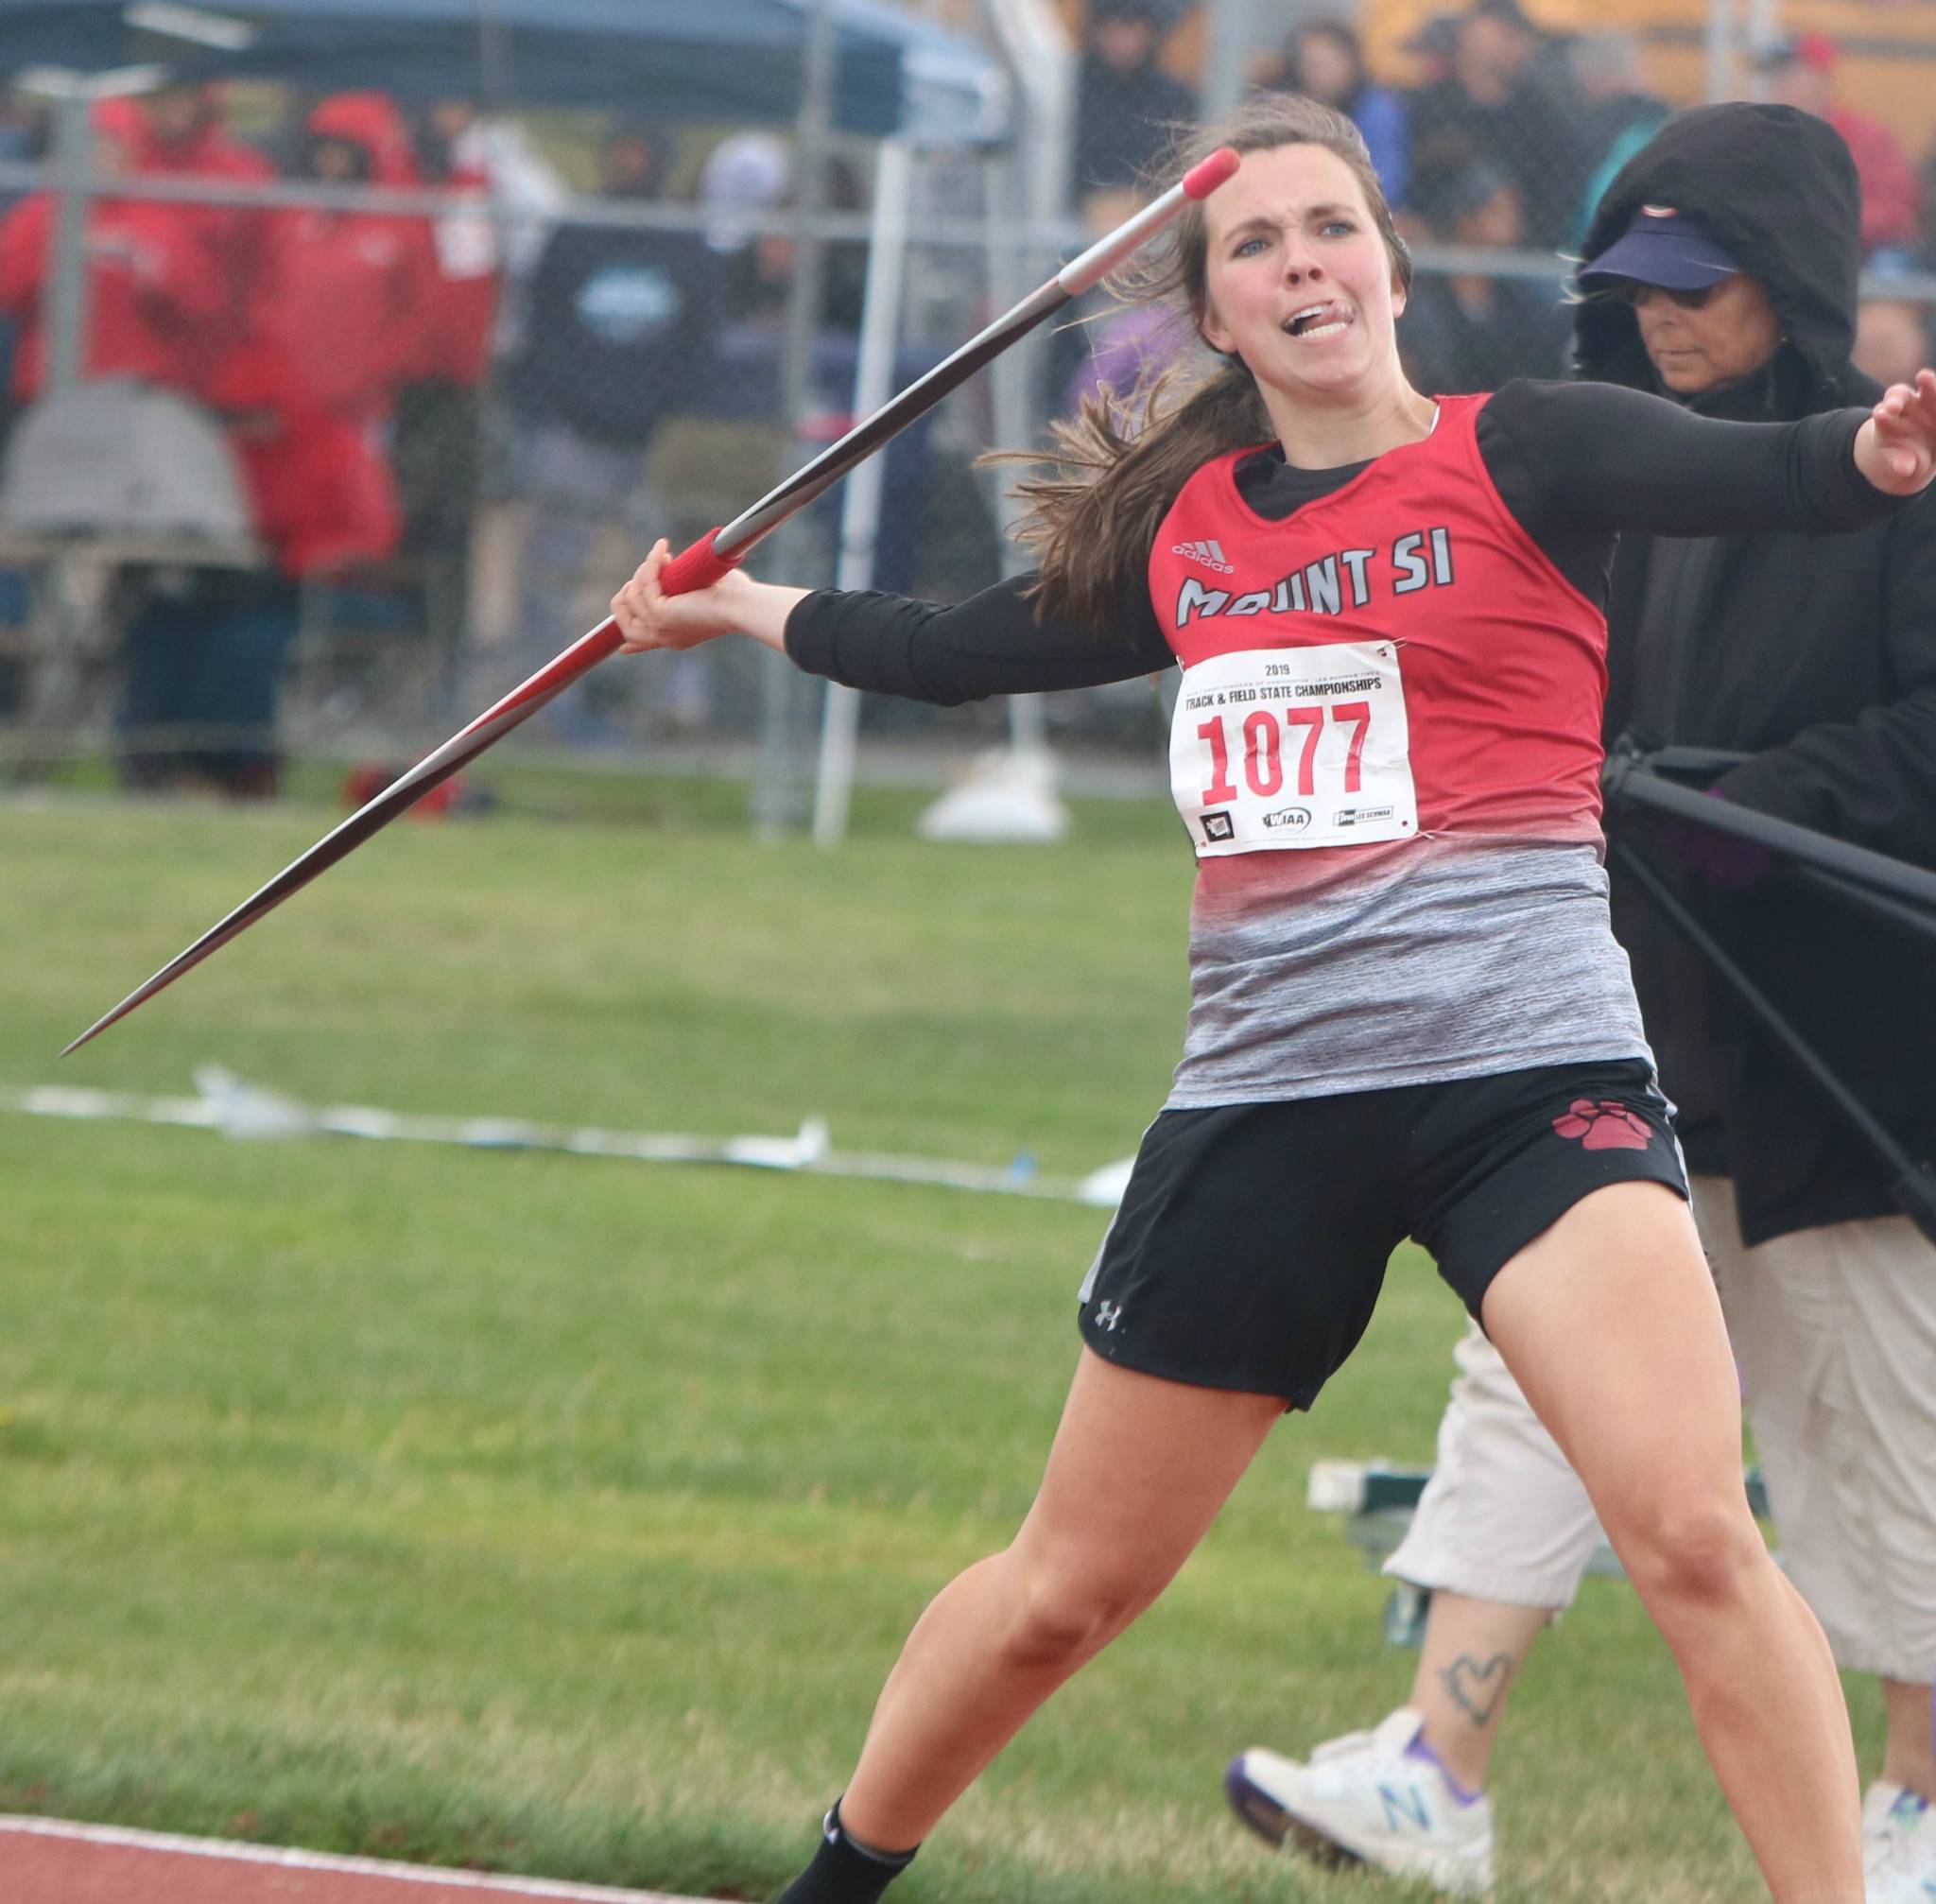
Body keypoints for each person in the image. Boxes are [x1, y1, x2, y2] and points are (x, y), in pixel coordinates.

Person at [608, 95, 1936, 1904]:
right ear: (1216, 312)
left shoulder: (1532, 448)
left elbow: (1766, 473)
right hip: (1268, 1105)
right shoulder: (1185, 535)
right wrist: (736, 605)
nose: (1299, 262)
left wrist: (1874, 451)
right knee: (1065, 1590)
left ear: (1386, 267)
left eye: (1328, 227)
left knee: (1696, 1534)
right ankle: (832, 1881)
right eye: (1254, 243)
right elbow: (941, 650)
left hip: (1530, 1082)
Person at [1222, 102, 1936, 1902]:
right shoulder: (1619, 475)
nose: (1662, 315)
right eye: (1635, 285)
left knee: (1873, 1433)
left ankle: (1917, 1808)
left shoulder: (1897, 477)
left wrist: (1735, 808)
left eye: (1699, 283)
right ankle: (1432, 1765)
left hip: (1851, 1064)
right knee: (1534, 1379)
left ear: (1794, 279)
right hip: (1638, 1027)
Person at [1397, 159, 1569, 393]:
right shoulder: (1428, 298)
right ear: (1466, 220)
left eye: (1514, 212)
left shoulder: (1513, 298)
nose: (1513, 223)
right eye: (1498, 212)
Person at [1756, 34, 1921, 261]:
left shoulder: (1865, 137)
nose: (1777, 84)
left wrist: (1824, 221)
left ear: (1820, 78)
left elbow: (1897, 212)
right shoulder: (1762, 140)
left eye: (1788, 73)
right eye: (1774, 75)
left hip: (1858, 258)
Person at [1258, 18, 1409, 207]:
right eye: (1308, 63)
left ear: (1350, 63)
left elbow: (1386, 178)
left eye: (1325, 63)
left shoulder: (1377, 109)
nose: (1315, 73)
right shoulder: (1284, 106)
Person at [1071, 0, 1196, 203]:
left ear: (1151, 30)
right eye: (1110, 23)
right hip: (1073, 214)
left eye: (1130, 24)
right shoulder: (1070, 92)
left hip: (1151, 209)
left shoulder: (1176, 100)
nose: (1120, 37)